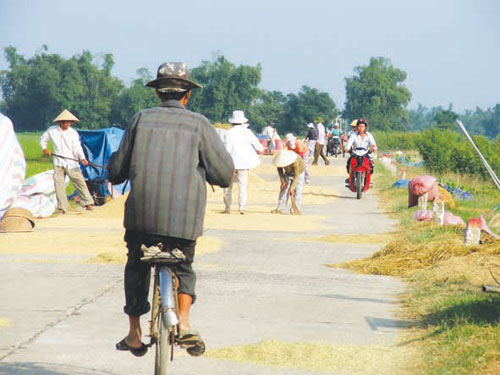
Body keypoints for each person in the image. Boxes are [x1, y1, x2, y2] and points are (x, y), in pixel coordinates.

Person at [108, 62, 234, 357]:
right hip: (184, 221)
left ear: (158, 95)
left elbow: (117, 171)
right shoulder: (200, 124)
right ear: (187, 95)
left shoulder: (140, 119)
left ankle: (134, 333)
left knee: (136, 264)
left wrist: (115, 167)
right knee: (184, 265)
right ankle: (186, 322)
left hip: (142, 218)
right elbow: (225, 175)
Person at [40, 109, 94, 214]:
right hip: (58, 162)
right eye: (67, 122)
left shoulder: (73, 133)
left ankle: (88, 203)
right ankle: (62, 208)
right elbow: (43, 139)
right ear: (61, 122)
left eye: (70, 122)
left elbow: (77, 147)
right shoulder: (52, 130)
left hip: (72, 162)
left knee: (79, 182)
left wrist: (82, 158)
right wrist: (44, 148)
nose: (69, 124)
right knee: (59, 185)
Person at [223, 110, 264, 214]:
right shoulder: (247, 132)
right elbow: (258, 146)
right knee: (242, 186)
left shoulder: (228, 133)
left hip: (231, 163)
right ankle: (241, 207)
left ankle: (227, 207)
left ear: (232, 122)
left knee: (228, 186)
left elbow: (226, 149)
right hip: (244, 163)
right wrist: (261, 149)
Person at [271, 150, 305, 215]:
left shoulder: (295, 161)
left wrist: (292, 187)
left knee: (297, 191)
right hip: (288, 173)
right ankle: (280, 208)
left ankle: (294, 209)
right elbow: (280, 170)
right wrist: (282, 180)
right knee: (284, 190)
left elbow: (296, 176)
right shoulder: (279, 161)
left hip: (299, 173)